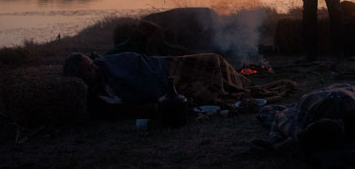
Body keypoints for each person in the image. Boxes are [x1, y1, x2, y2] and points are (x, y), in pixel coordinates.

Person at [63, 52, 296, 118]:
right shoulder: (100, 95)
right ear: (80, 77)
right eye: (88, 68)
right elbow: (127, 104)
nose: (94, 66)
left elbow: (136, 62)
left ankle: (241, 84)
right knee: (208, 86)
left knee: (213, 61)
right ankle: (237, 91)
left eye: (91, 62)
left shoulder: (109, 65)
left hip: (164, 66)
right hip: (167, 79)